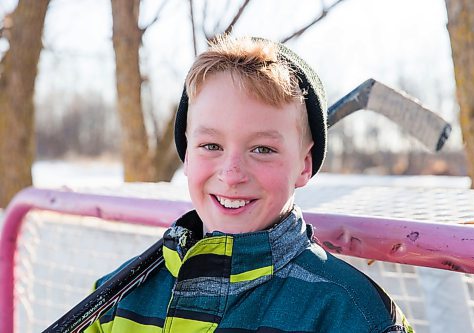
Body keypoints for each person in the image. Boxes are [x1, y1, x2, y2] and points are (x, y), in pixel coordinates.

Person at [85, 35, 413, 333]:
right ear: (187, 156)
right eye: (211, 146)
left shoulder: (352, 316)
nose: (231, 174)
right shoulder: (115, 301)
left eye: (262, 149)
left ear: (305, 165)